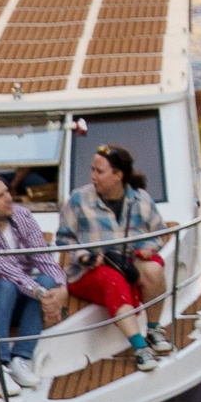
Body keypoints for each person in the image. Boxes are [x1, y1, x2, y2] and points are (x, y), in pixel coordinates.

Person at [57, 143, 173, 371]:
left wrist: (148, 248)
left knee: (153, 269)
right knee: (113, 280)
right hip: (88, 271)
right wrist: (84, 257)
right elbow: (63, 239)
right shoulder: (79, 199)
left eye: (99, 172)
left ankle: (154, 329)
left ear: (118, 175)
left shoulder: (141, 199)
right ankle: (140, 347)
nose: (93, 176)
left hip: (127, 262)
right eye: (92, 170)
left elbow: (159, 234)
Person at [0, 173, 67, 389]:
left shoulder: (23, 216)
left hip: (18, 298)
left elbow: (43, 256)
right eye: (0, 195)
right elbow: (1, 266)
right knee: (6, 286)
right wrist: (40, 293)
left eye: (8, 191)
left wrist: (60, 288)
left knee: (46, 279)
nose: (9, 198)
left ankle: (21, 359)